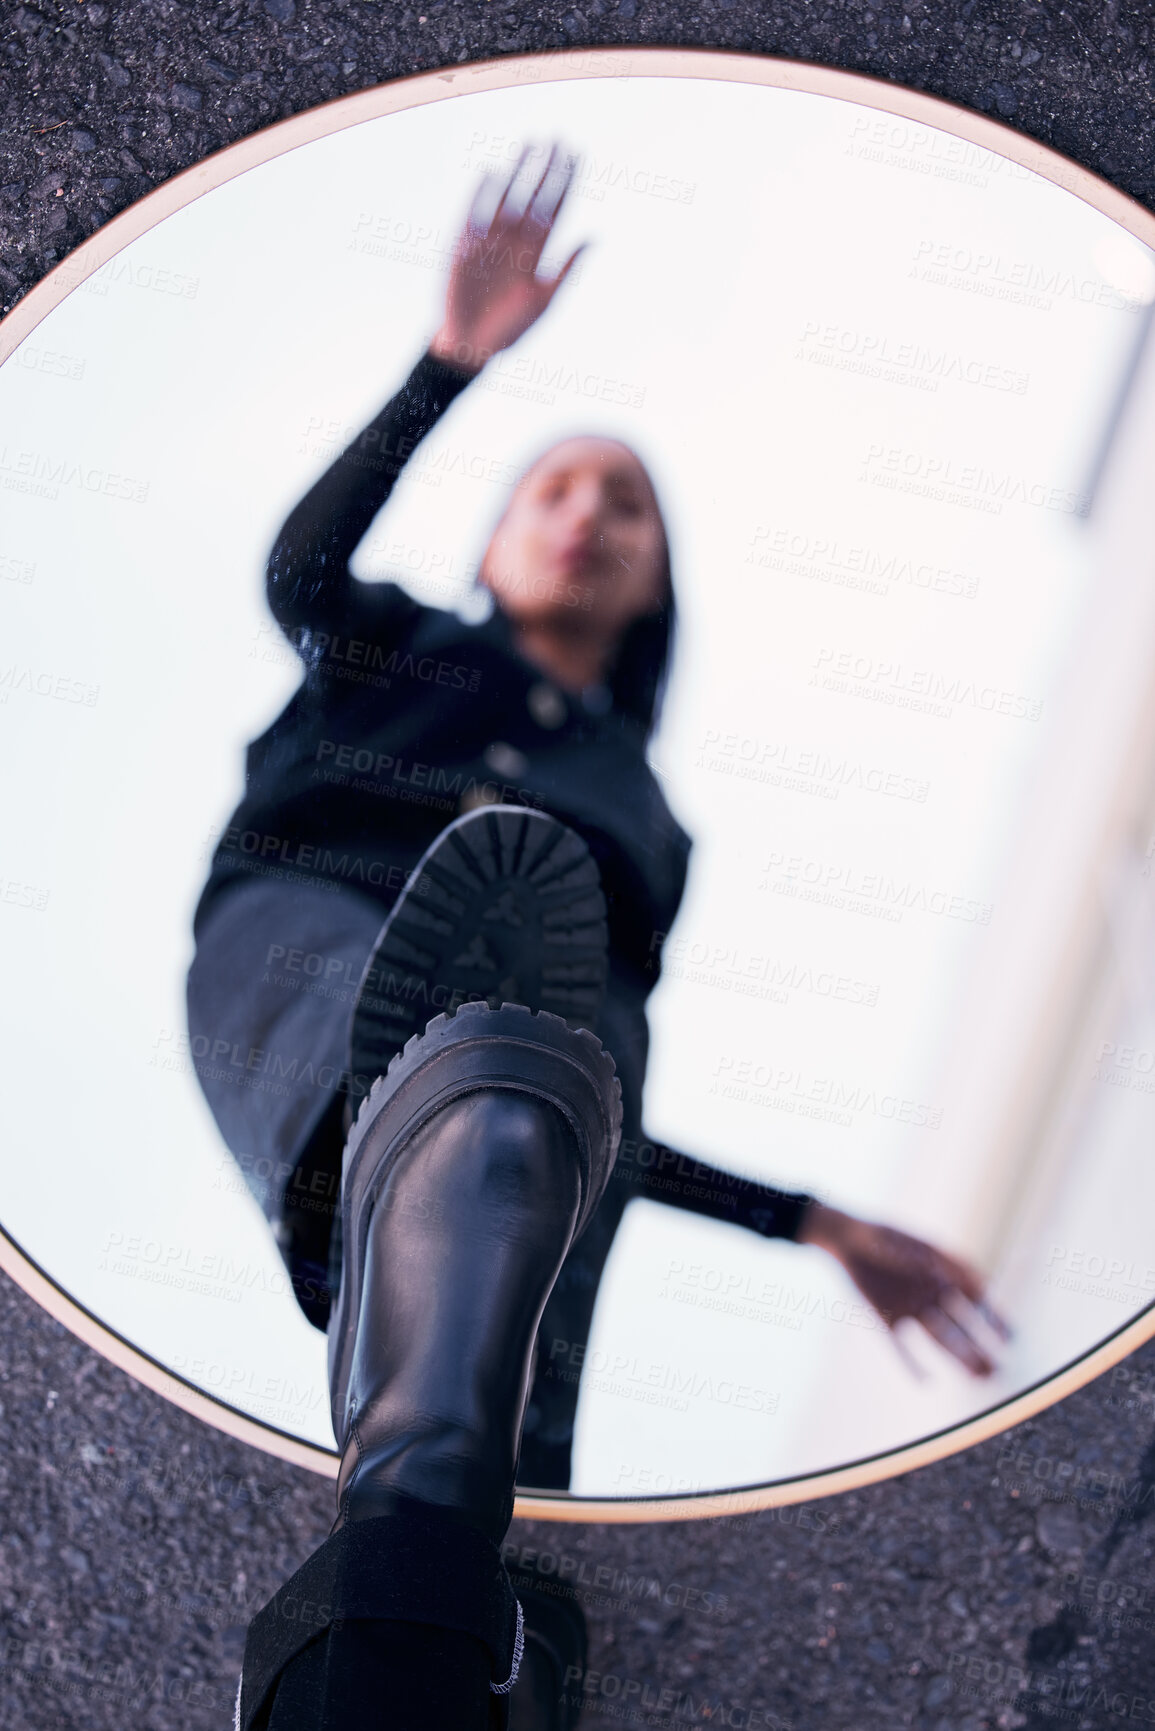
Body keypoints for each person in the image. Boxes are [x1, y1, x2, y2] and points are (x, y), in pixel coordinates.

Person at [187, 143, 1006, 1731]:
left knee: (503, 1473)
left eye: (625, 504)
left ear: (656, 585)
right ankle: (401, 1212)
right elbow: (294, 569)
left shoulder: (642, 818)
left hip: (539, 1117)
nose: (588, 516)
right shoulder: (400, 650)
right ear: (493, 544)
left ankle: (439, 1606)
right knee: (468, 1103)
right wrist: (451, 366)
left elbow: (597, 1086)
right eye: (554, 488)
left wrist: (809, 1224)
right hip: (307, 962)